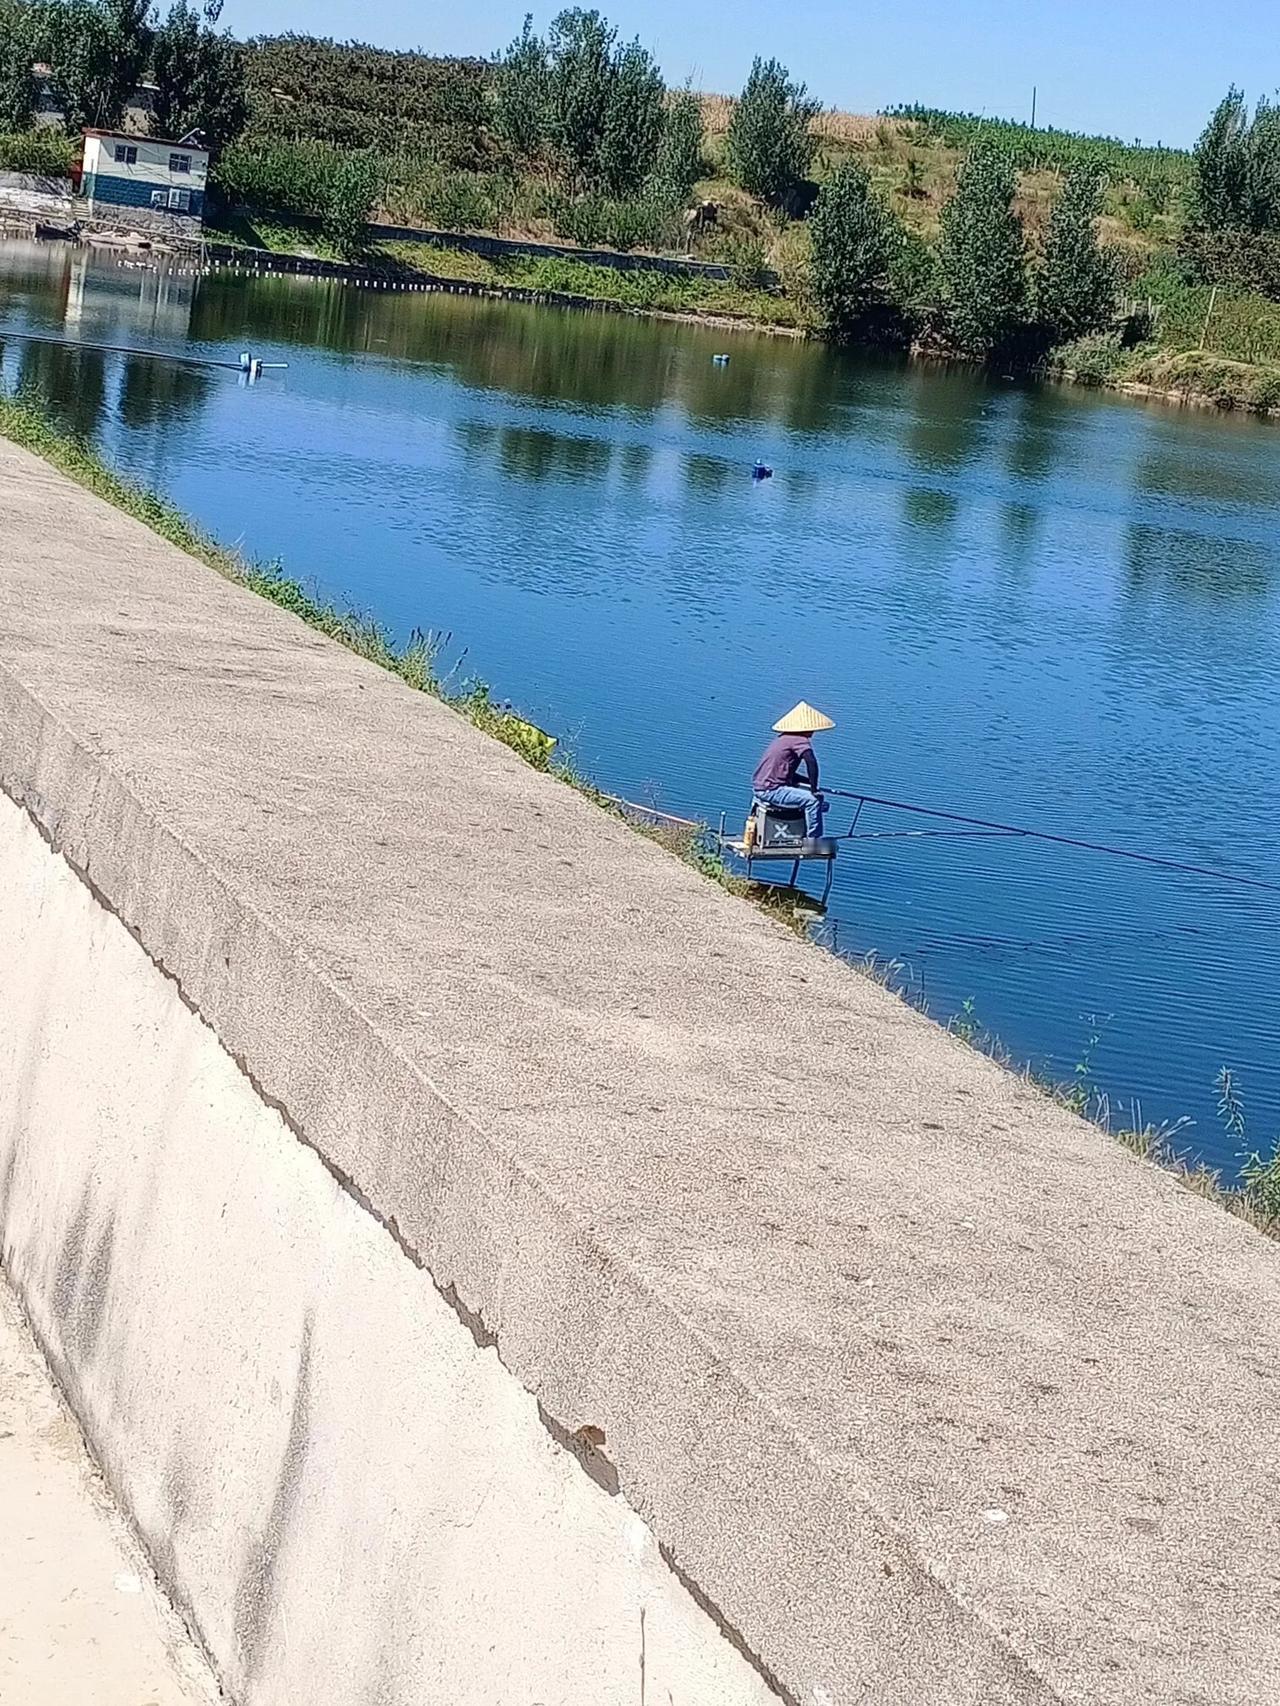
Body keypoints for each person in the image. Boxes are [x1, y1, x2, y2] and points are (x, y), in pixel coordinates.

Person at [751, 701, 835, 844]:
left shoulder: (783, 739)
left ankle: (806, 825)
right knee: (813, 801)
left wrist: (808, 782)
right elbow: (811, 762)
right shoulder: (799, 740)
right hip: (771, 790)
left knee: (820, 802)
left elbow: (783, 771)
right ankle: (813, 841)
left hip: (762, 787)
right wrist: (814, 789)